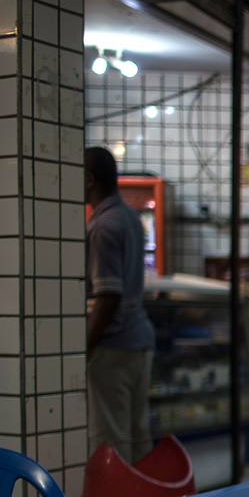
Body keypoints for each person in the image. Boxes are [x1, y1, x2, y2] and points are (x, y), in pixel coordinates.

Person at [85, 146, 156, 463]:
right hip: (139, 339)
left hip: (112, 346)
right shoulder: (128, 216)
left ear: (88, 179)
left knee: (113, 439)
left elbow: (108, 295)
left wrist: (85, 344)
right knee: (138, 434)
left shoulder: (102, 225)